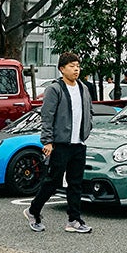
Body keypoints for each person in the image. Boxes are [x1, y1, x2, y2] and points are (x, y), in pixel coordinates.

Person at [26, 51, 94, 234]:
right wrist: (47, 141)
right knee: (53, 181)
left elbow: (89, 111)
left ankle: (74, 220)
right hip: (60, 143)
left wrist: (88, 128)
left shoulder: (84, 88)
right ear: (62, 69)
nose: (76, 69)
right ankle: (33, 211)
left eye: (78, 66)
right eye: (72, 66)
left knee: (76, 183)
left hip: (78, 143)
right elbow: (47, 117)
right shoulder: (54, 89)